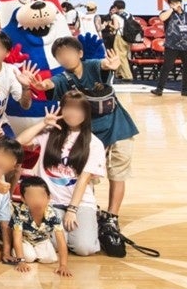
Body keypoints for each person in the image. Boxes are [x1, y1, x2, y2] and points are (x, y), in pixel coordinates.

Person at [39, 37, 135, 229]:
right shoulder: (62, 79)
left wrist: (111, 64)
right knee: (89, 175)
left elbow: (104, 64)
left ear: (80, 53)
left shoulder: (92, 66)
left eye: (69, 52)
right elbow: (50, 84)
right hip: (90, 134)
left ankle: (112, 216)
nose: (66, 57)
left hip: (118, 125)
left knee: (117, 172)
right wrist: (41, 85)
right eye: (60, 55)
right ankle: (89, 209)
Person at [16, 92, 105, 256]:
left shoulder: (94, 143)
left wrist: (72, 209)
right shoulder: (50, 133)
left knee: (84, 248)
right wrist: (43, 123)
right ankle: (68, 233)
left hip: (80, 202)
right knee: (55, 243)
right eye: (68, 108)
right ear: (61, 109)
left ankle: (88, 226)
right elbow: (20, 141)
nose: (73, 113)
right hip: (51, 202)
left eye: (78, 109)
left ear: (86, 113)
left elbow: (84, 179)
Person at [9, 177, 72, 276]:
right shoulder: (19, 212)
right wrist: (21, 261)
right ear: (23, 199)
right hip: (24, 241)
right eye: (31, 196)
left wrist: (63, 265)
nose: (37, 200)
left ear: (48, 198)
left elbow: (61, 240)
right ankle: (20, 253)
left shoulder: (53, 213)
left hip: (42, 241)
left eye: (41, 196)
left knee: (51, 258)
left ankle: (36, 252)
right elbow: (17, 238)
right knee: (29, 257)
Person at [152, 0, 187, 98]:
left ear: (181, 3)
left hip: (186, 45)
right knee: (167, 66)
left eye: (177, 2)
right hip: (172, 45)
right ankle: (159, 89)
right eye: (173, 3)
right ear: (170, 4)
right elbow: (162, 18)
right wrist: (171, 9)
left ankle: (186, 90)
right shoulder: (167, 13)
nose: (176, 4)